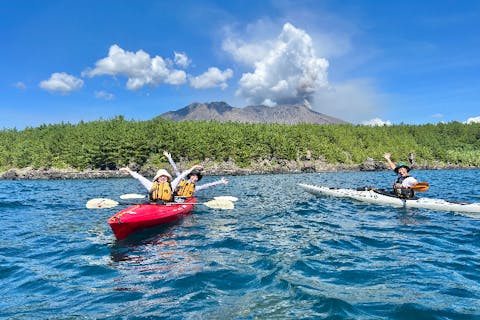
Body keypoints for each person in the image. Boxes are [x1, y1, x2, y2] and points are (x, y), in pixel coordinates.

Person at [120, 163, 202, 202]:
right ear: (157, 179)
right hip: (154, 205)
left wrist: (193, 167)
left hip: (168, 205)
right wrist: (128, 170)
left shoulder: (171, 185)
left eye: (164, 176)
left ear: (167, 178)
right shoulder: (151, 185)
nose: (163, 177)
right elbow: (139, 177)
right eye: (161, 176)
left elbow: (182, 175)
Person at [163, 151, 228, 198]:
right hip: (174, 198)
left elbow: (208, 185)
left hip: (184, 201)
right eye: (193, 176)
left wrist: (220, 182)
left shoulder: (195, 188)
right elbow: (175, 169)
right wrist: (169, 158)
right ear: (190, 176)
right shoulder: (181, 180)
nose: (195, 178)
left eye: (196, 177)